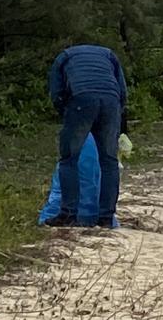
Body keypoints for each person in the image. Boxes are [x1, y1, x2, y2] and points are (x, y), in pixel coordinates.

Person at [47, 42, 128, 227]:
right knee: (109, 161)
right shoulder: (109, 54)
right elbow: (122, 91)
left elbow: (56, 92)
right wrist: (117, 115)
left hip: (81, 98)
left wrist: (67, 114)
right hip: (111, 101)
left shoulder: (64, 56)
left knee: (69, 159)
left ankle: (68, 214)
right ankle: (106, 217)